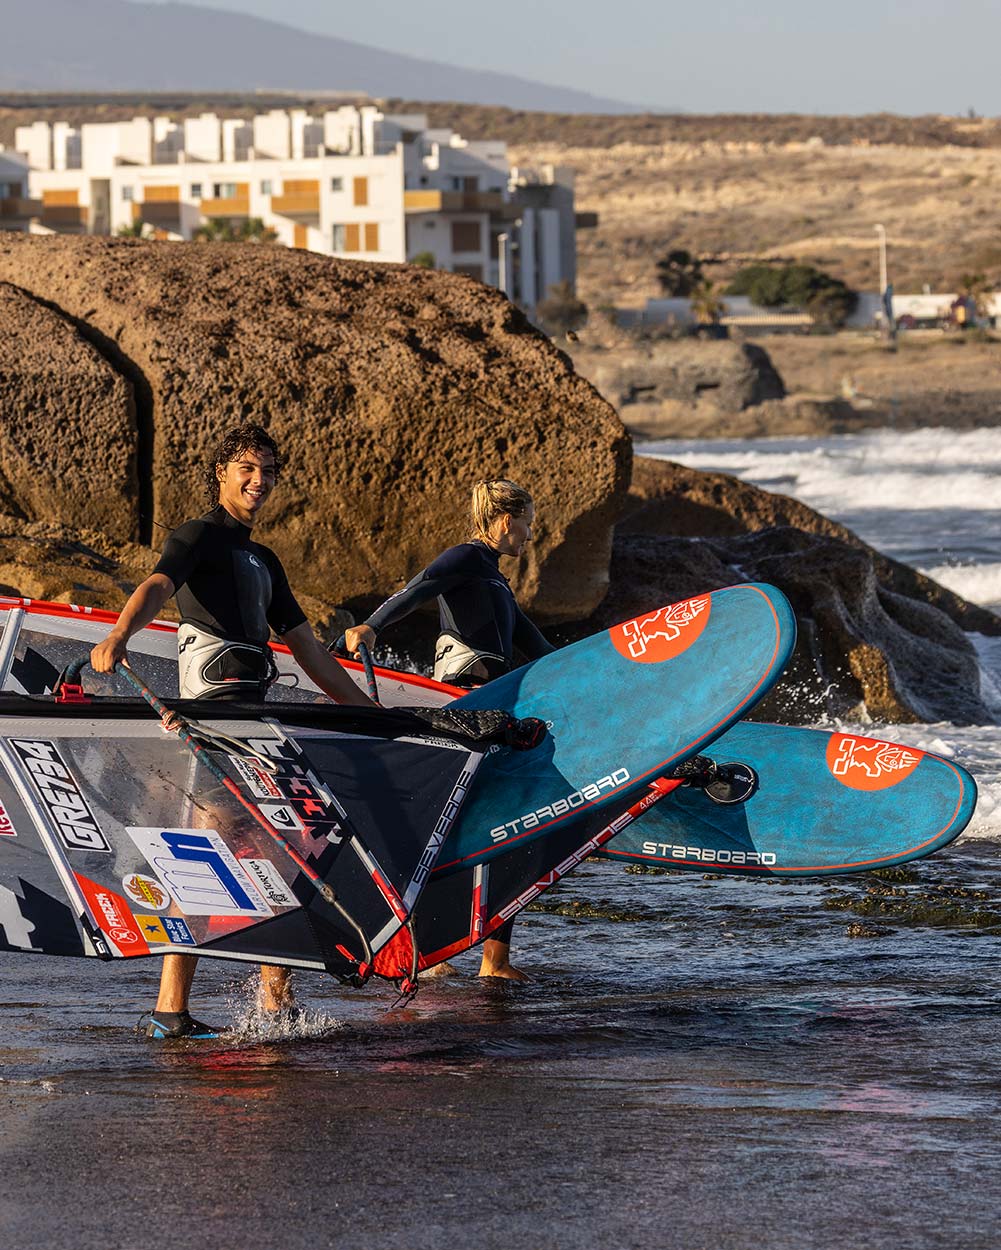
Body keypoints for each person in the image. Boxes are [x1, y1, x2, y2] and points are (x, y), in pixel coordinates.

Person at [91, 424, 375, 1039]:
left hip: (256, 726)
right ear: (220, 473)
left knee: (291, 852)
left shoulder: (264, 561)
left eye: (269, 471)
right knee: (204, 857)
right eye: (247, 467)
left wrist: (367, 713)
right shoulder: (199, 536)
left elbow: (308, 651)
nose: (259, 480)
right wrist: (120, 634)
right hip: (211, 723)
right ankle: (171, 1011)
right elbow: (157, 585)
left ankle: (274, 1003)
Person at [344, 479, 554, 981]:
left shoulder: (497, 582)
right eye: (527, 522)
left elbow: (542, 651)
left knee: (505, 824)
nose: (529, 534)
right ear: (506, 521)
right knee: (455, 828)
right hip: (460, 709)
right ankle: (426, 948)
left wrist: (604, 672)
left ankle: (493, 960)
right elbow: (418, 588)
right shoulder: (464, 558)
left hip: (493, 716)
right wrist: (371, 625)